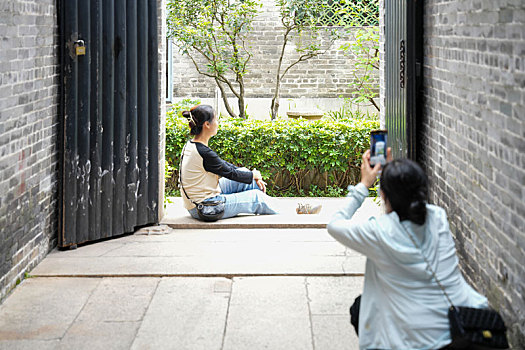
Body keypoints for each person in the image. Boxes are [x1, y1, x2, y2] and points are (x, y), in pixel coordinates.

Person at [326, 149, 488, 350]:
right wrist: (396, 173)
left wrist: (364, 184)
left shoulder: (379, 231)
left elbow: (334, 224)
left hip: (410, 342)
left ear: (383, 194)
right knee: (362, 305)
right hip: (458, 329)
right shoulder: (437, 217)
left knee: (361, 308)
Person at [179, 104, 279, 220]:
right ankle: (287, 213)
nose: (218, 123)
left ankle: (270, 209)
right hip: (205, 207)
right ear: (207, 124)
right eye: (216, 120)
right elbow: (230, 173)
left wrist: (252, 176)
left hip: (203, 198)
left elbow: (224, 165)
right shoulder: (203, 152)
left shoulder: (192, 145)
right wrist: (254, 174)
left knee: (247, 176)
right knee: (257, 198)